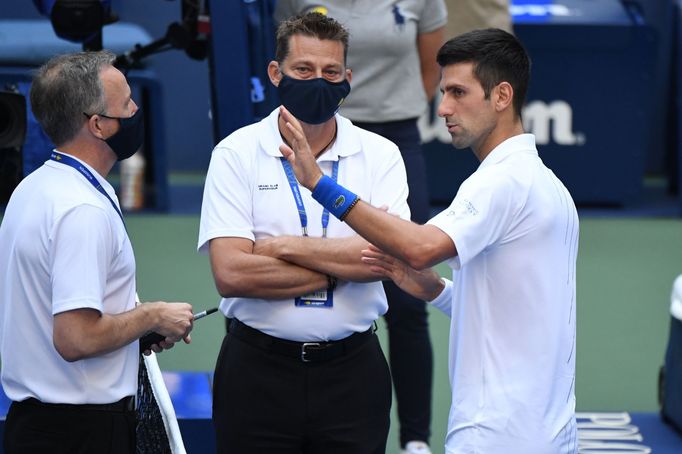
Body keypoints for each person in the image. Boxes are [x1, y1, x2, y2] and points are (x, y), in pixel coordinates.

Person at [278, 28, 580, 453]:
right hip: (549, 433)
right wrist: (434, 290)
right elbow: (511, 314)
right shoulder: (548, 185)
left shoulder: (502, 182)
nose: (443, 108)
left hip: (496, 436)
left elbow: (421, 247)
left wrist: (319, 184)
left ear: (501, 96)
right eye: (443, 92)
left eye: (458, 92)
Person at [198, 12, 411, 454]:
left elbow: (393, 257)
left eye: (331, 72)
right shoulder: (235, 154)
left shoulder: (381, 155)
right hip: (256, 374)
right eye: (304, 70)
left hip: (352, 375)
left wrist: (284, 248)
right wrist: (344, 264)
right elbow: (233, 274)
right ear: (276, 74)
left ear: (348, 78)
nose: (319, 81)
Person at [0, 51, 195, 454]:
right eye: (127, 104)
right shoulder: (82, 211)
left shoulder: (35, 188)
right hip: (82, 435)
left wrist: (134, 334)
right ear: (99, 126)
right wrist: (151, 315)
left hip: (36, 426)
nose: (136, 110)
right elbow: (75, 338)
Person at [272, 3, 447, 453]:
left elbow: (432, 65)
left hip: (394, 133)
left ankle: (415, 439)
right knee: (346, 250)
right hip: (308, 126)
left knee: (406, 297)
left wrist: (280, 250)